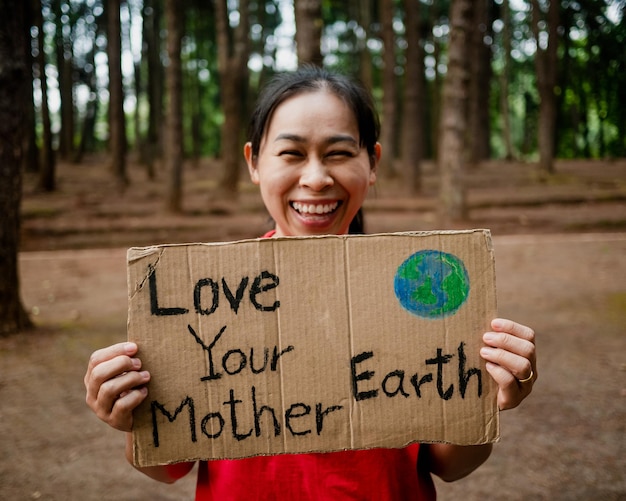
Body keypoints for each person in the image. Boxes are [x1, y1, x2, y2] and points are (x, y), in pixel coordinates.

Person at [84, 66, 537, 500]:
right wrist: (127, 418)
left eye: (339, 153)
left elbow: (448, 465)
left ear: (372, 162)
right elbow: (166, 468)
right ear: (254, 162)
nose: (317, 179)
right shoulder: (204, 300)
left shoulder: (421, 290)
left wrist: (491, 400)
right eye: (292, 153)